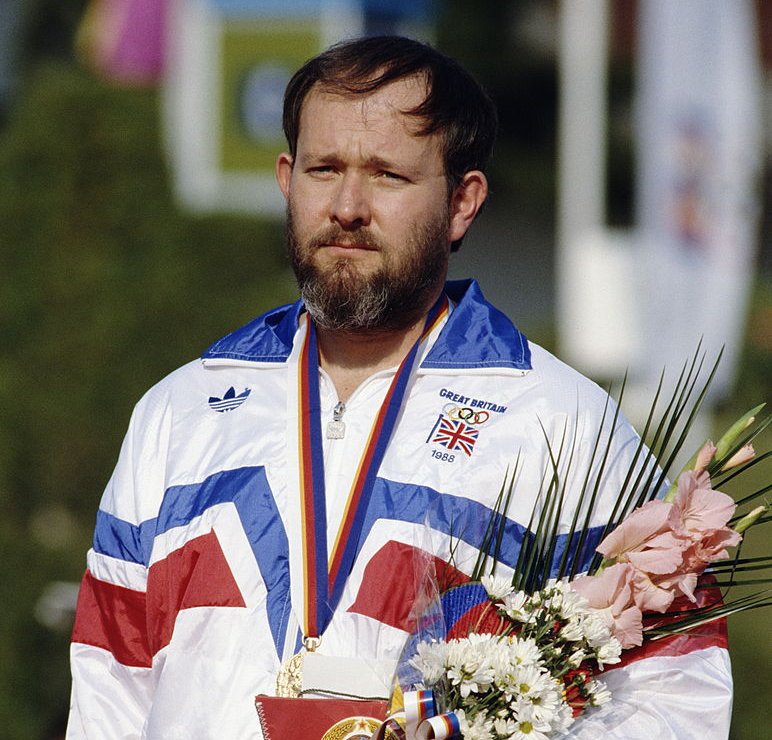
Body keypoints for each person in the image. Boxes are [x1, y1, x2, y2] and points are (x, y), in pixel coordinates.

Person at [66, 36, 732, 739]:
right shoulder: (182, 410)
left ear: (461, 203)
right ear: (287, 179)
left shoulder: (560, 422)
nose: (348, 205)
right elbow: (109, 685)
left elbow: (674, 697)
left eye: (387, 175)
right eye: (325, 169)